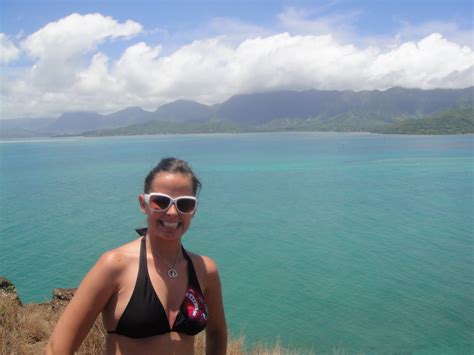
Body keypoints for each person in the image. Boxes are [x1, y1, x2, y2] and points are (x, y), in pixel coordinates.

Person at [46, 157, 227, 355]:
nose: (173, 212)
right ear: (144, 204)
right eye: (161, 201)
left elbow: (217, 333)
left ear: (194, 210)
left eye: (184, 204)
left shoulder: (205, 269)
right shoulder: (115, 265)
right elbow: (57, 348)